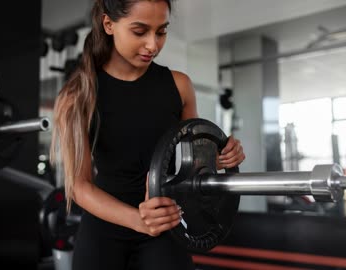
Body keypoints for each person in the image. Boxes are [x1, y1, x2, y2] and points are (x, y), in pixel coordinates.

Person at [51, 0, 246, 269]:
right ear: (109, 24)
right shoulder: (79, 95)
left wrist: (222, 156)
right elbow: (80, 187)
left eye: (161, 31)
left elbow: (198, 160)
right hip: (104, 230)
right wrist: (137, 220)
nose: (153, 45)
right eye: (140, 31)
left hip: (166, 225)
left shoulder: (179, 86)